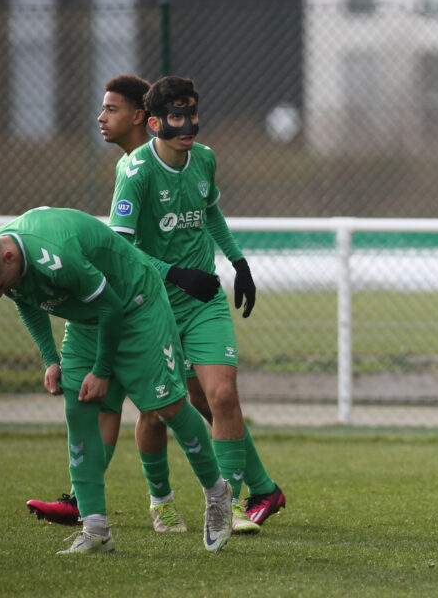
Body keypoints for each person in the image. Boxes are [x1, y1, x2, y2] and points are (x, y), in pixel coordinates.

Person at [0, 207, 234, 554]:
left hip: (135, 304)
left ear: (8, 256)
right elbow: (24, 300)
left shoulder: (55, 254)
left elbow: (111, 307)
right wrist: (51, 360)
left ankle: (218, 495)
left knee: (168, 406)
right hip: (88, 317)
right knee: (78, 406)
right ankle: (96, 529)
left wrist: (102, 371)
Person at [108, 75, 284, 534]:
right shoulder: (136, 172)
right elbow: (119, 249)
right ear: (153, 123)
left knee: (222, 396)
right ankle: (161, 500)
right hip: (152, 306)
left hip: (203, 302)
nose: (189, 124)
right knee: (156, 411)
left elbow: (210, 212)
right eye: (177, 115)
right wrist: (175, 274)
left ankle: (229, 504)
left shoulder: (204, 159)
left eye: (193, 113)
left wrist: (239, 262)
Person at [26, 75, 190, 534]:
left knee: (185, 405)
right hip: (114, 303)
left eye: (111, 109)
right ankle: (85, 501)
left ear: (140, 116)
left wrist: (182, 276)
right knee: (105, 401)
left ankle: (221, 494)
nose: (100, 117)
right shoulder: (129, 166)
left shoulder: (158, 162)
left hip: (164, 303)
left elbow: (149, 244)